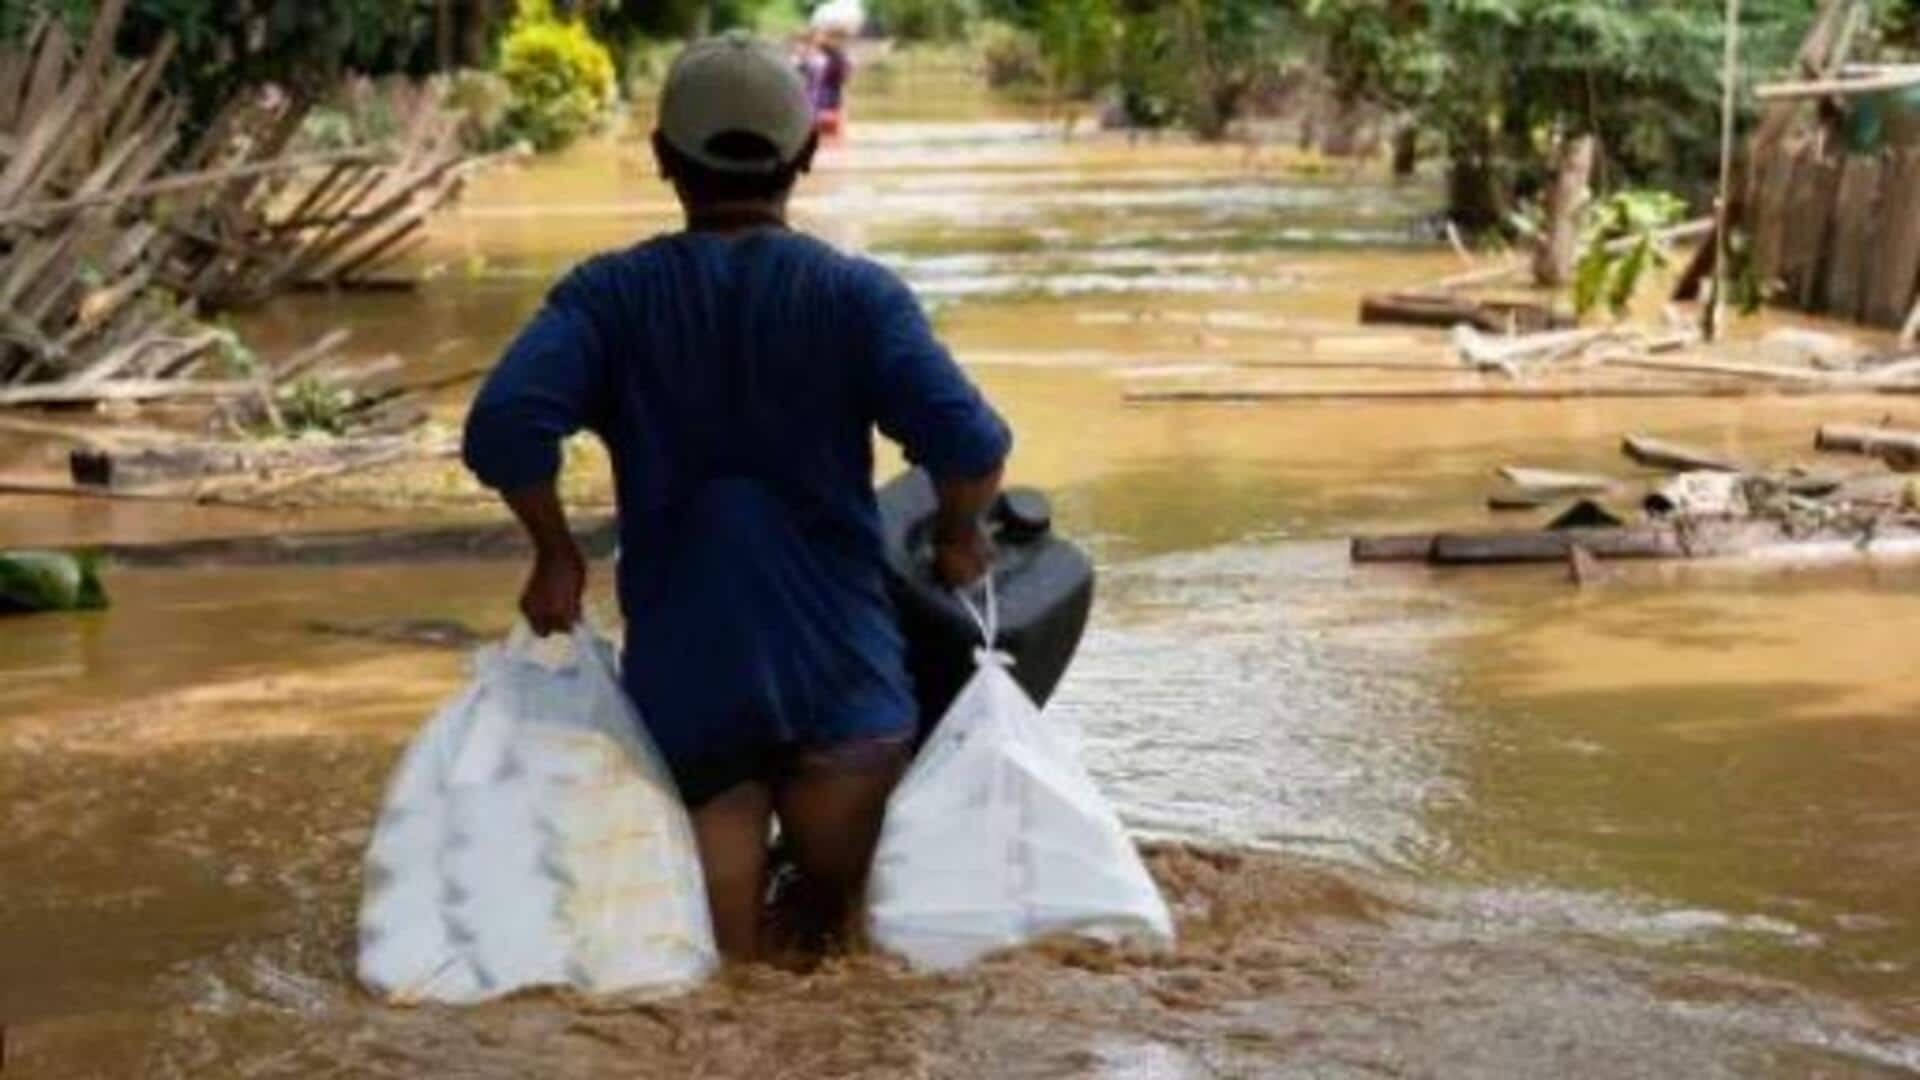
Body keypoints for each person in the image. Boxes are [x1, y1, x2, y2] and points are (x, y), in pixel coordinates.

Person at [461, 31, 1011, 964]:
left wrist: (555, 554)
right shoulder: (857, 298)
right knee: (857, 968)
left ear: (664, 159)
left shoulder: (609, 299)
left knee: (719, 976)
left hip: (692, 690)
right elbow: (972, 446)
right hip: (843, 685)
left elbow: (503, 427)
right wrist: (959, 538)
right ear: (805, 154)